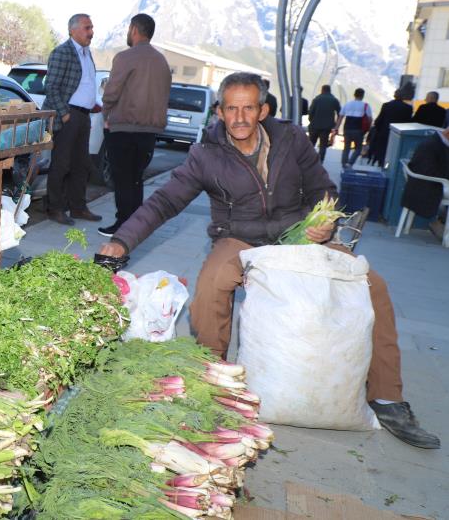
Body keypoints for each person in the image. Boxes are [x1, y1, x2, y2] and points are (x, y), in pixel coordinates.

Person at [98, 72, 439, 449]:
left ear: (263, 109)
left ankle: (388, 398)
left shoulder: (292, 140)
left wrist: (323, 221)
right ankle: (210, 380)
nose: (240, 118)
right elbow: (165, 202)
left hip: (299, 236)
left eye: (248, 108)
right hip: (239, 238)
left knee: (372, 285)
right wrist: (120, 241)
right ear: (220, 111)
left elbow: (323, 188)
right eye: (231, 109)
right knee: (210, 286)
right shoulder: (205, 155)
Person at [97, 13, 172, 236]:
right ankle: (134, 226)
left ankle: (122, 226)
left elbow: (112, 91)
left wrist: (106, 113)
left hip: (124, 127)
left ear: (133, 30)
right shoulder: (162, 61)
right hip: (149, 131)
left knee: (122, 180)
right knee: (136, 179)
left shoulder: (126, 57)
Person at [43, 13, 102, 225]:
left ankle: (78, 207)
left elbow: (83, 83)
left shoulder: (87, 53)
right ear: (73, 30)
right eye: (87, 28)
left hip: (84, 116)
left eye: (92, 27)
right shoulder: (62, 52)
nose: (91, 32)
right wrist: (65, 114)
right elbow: (51, 87)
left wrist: (92, 104)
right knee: (61, 164)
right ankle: (54, 209)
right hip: (68, 116)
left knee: (81, 165)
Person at [401, 125, 449, 222]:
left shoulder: (436, 142)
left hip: (427, 182)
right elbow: (429, 171)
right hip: (427, 186)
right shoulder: (432, 145)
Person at [365, 88, 413, 167]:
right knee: (395, 152)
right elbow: (408, 122)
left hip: (384, 132)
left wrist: (376, 129)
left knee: (383, 150)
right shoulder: (408, 108)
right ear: (403, 96)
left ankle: (381, 164)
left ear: (394, 95)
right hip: (399, 134)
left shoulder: (386, 105)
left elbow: (379, 119)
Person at [334, 87, 371, 169]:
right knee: (358, 148)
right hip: (358, 129)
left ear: (354, 94)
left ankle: (344, 164)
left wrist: (336, 128)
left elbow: (340, 117)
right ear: (362, 96)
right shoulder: (365, 106)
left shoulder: (348, 104)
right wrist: (367, 129)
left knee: (346, 147)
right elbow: (369, 119)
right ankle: (350, 163)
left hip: (347, 128)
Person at [306, 84, 342, 162]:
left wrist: (311, 120)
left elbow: (311, 112)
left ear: (322, 90)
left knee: (311, 144)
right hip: (327, 127)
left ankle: (308, 160)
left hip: (315, 125)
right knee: (323, 145)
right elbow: (340, 113)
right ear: (329, 91)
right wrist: (335, 125)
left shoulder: (317, 99)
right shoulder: (334, 100)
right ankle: (320, 161)